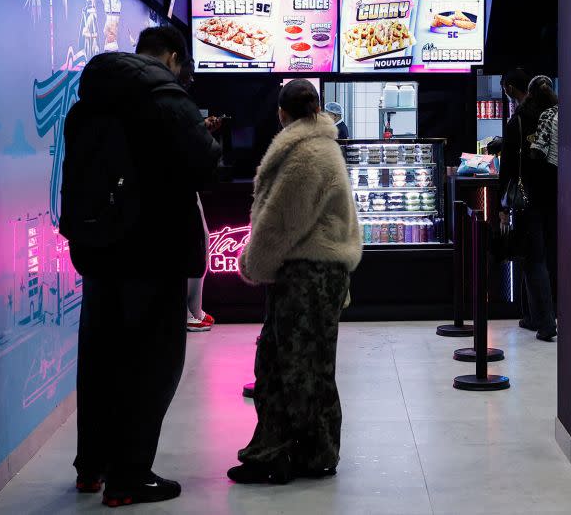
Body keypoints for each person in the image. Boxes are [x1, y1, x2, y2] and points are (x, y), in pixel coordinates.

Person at [64, 26, 221, 507]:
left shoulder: (88, 100)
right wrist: (206, 137)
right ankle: (130, 477)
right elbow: (204, 169)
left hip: (99, 248)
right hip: (155, 252)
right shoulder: (166, 99)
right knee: (151, 363)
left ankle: (92, 468)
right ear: (174, 56)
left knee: (100, 358)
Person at [228, 80, 362, 484]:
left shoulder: (306, 153)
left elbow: (282, 222)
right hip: (324, 272)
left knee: (284, 364)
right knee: (311, 362)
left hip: (306, 273)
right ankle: (315, 450)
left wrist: (252, 263)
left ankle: (282, 452)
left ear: (282, 114)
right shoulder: (324, 147)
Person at [498, 69, 559, 342]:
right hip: (559, 197)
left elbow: (509, 167)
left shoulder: (519, 121)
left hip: (529, 198)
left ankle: (545, 323)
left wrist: (501, 202)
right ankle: (538, 316)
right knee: (550, 258)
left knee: (533, 259)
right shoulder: (561, 117)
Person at [177, 58, 219, 332]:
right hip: (181, 188)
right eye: (190, 74)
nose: (192, 80)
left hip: (180, 186)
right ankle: (190, 312)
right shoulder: (175, 102)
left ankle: (193, 310)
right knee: (195, 244)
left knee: (199, 241)